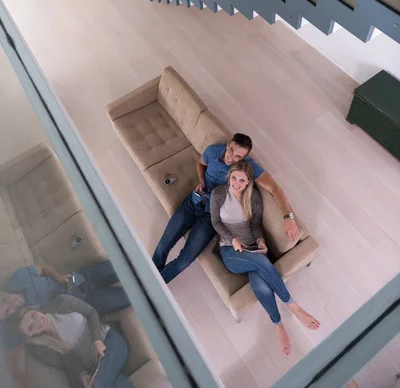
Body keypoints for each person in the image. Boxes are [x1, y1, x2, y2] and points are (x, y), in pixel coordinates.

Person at [152, 133, 299, 284]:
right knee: (164, 243)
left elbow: (275, 188)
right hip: (193, 201)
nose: (231, 158)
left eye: (238, 156)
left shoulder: (246, 168)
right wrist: (202, 180)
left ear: (243, 158)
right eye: (230, 150)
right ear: (227, 144)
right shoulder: (213, 151)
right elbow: (200, 163)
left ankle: (152, 286)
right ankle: (147, 274)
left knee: (185, 260)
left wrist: (289, 217)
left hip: (211, 217)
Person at [210, 160, 320, 356]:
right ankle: (293, 306)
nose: (236, 182)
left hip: (253, 248)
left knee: (260, 285)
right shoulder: (219, 193)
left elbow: (255, 225)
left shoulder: (253, 197)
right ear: (229, 176)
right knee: (261, 262)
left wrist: (260, 240)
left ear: (248, 182)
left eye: (241, 180)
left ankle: (278, 325)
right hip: (230, 250)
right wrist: (233, 239)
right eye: (234, 177)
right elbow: (216, 222)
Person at [0, 259, 130, 387]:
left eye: (4, 300)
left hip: (78, 281)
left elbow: (42, 267)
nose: (11, 305)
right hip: (91, 303)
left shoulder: (20, 278)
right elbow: (17, 367)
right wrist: (82, 375)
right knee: (130, 295)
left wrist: (59, 277)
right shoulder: (24, 324)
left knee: (124, 264)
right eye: (7, 312)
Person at [16, 293, 132, 388]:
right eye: (30, 327)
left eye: (33, 315)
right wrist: (82, 375)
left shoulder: (61, 301)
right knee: (118, 384)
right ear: (31, 335)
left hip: (109, 341)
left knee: (99, 384)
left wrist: (97, 340)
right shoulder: (43, 347)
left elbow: (91, 312)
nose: (36, 322)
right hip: (94, 366)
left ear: (37, 310)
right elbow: (67, 362)